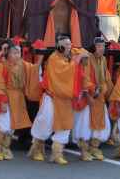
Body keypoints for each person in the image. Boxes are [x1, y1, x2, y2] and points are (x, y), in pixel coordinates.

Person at [29, 36, 88, 165]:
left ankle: (57, 153)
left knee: (65, 125)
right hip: (52, 98)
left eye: (70, 44)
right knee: (45, 123)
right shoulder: (54, 58)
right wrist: (75, 61)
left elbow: (83, 55)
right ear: (59, 46)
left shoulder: (69, 57)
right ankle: (37, 149)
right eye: (66, 45)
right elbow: (64, 72)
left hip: (65, 100)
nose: (69, 47)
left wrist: (80, 56)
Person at [0, 43, 42, 161]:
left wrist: (40, 56)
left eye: (19, 52)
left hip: (18, 100)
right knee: (3, 126)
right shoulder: (2, 66)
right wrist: (2, 101)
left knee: (11, 128)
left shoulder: (22, 64)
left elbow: (33, 69)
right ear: (8, 54)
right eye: (14, 53)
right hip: (6, 98)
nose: (17, 55)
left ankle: (6, 148)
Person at [72, 37, 113, 162]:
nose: (102, 49)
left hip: (99, 97)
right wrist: (91, 92)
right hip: (88, 97)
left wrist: (105, 88)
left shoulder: (104, 59)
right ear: (94, 47)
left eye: (103, 46)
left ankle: (94, 147)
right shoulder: (87, 59)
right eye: (99, 46)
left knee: (100, 123)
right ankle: (84, 150)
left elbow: (106, 77)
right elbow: (83, 77)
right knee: (84, 125)